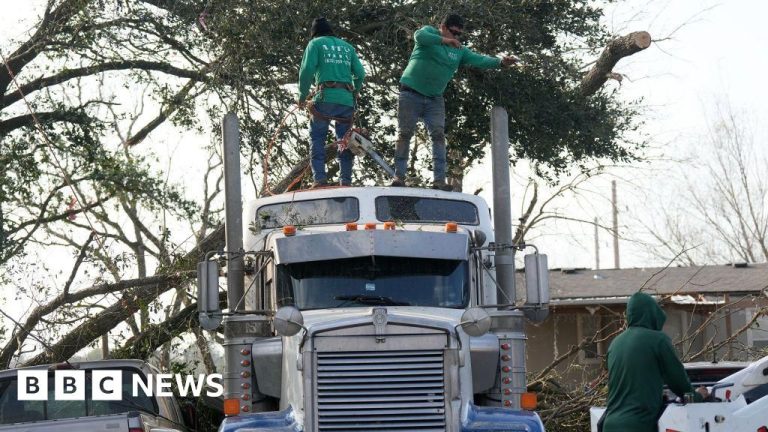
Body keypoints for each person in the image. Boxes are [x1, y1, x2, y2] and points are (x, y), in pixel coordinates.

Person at [392, 13, 517, 191]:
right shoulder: (429, 34)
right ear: (443, 27)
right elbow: (418, 36)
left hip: (434, 98)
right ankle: (399, 176)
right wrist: (444, 40)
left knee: (438, 136)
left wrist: (500, 63)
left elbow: (479, 59)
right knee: (405, 134)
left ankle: (439, 181)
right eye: (453, 32)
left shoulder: (460, 50)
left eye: (459, 34)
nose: (456, 37)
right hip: (411, 93)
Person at [601, 292, 708, 432]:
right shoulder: (658, 341)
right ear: (652, 315)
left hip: (610, 425)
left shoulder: (615, 343)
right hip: (638, 425)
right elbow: (679, 384)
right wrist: (698, 395)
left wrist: (656, 394)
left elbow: (626, 382)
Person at [298, 17, 365, 187]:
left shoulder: (315, 44)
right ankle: (346, 181)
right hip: (346, 100)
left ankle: (319, 179)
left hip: (324, 98)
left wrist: (302, 96)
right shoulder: (347, 47)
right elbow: (361, 74)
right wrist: (354, 93)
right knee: (345, 141)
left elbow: (306, 71)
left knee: (317, 139)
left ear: (314, 34)